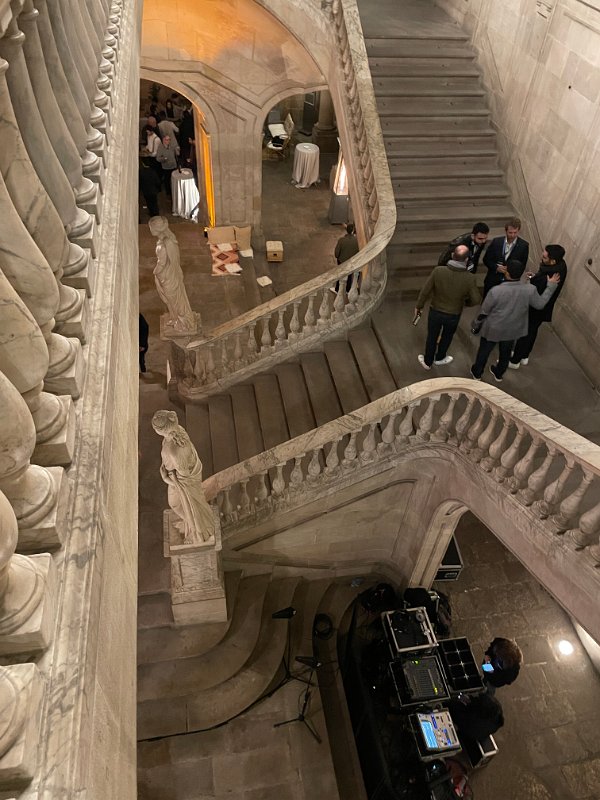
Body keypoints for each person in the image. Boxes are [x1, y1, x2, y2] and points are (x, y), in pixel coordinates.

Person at [470, 259, 560, 382]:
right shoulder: (530, 289)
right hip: (513, 328)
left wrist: (476, 324)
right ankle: (499, 373)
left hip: (493, 328)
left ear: (507, 273)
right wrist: (551, 287)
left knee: (484, 351)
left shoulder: (496, 291)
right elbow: (539, 304)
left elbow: (484, 312)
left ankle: (477, 373)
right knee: (505, 353)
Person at [151, 410, 215, 544]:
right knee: (182, 504)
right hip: (180, 475)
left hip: (182, 481)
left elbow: (185, 478)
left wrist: (166, 478)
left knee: (176, 503)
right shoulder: (177, 431)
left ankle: (197, 528)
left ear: (160, 431)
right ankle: (190, 521)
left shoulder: (174, 451)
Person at [415, 244, 480, 369]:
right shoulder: (470, 278)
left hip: (436, 310)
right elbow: (476, 299)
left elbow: (425, 291)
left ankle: (428, 362)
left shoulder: (438, 271)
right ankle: (440, 358)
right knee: (447, 336)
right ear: (467, 259)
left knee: (432, 336)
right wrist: (465, 303)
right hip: (454, 314)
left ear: (452, 255)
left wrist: (419, 306)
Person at [509, 244, 568, 369]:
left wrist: (530, 281)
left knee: (525, 334)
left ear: (553, 261)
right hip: (543, 310)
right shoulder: (561, 266)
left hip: (536, 308)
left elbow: (536, 293)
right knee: (532, 331)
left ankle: (515, 360)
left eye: (545, 257)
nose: (542, 257)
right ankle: (524, 356)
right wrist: (535, 276)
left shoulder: (550, 276)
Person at [148, 216, 195, 332]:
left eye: (151, 227)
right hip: (167, 274)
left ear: (156, 229)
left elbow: (162, 263)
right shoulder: (165, 240)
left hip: (168, 277)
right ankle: (175, 318)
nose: (150, 229)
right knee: (170, 300)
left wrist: (155, 272)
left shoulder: (166, 244)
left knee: (175, 300)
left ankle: (184, 323)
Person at [482, 217, 530, 297]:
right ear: (506, 231)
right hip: (493, 280)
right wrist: (496, 268)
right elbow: (486, 259)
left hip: (510, 284)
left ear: (518, 231)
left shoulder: (524, 246)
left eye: (515, 232)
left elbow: (522, 265)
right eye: (510, 232)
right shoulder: (496, 242)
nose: (513, 235)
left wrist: (510, 272)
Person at [333, 223, 359, 293]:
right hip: (351, 261)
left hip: (342, 261)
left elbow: (336, 253)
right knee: (349, 276)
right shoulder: (356, 241)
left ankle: (337, 288)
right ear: (353, 231)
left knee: (340, 274)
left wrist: (338, 257)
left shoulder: (341, 240)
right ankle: (348, 289)